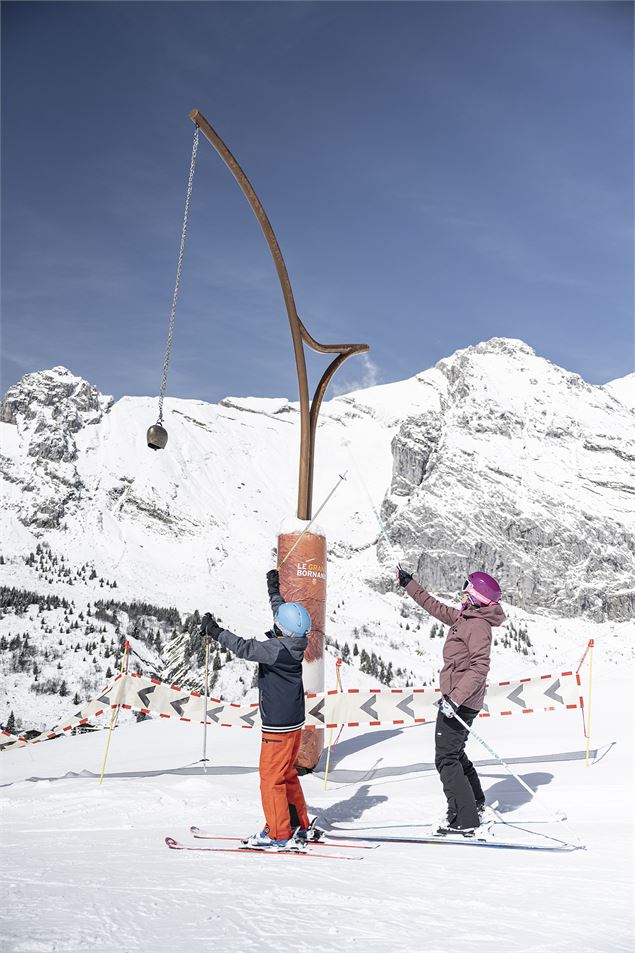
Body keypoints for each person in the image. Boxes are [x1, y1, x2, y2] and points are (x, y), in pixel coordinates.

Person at [200, 569, 317, 852]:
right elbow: (283, 614)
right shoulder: (295, 642)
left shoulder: (275, 650)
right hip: (294, 722)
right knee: (286, 772)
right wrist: (273, 590)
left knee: (270, 778)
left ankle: (278, 833)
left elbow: (244, 648)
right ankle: (299, 823)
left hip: (277, 726)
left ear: (281, 629)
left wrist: (214, 631)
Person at [397, 566, 505, 837]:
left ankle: (464, 820)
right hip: (458, 699)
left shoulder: (478, 626)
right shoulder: (464, 617)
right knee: (454, 753)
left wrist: (454, 700)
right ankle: (475, 803)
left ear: (475, 595)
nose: (462, 592)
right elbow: (433, 606)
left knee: (446, 758)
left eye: (466, 588)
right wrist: (409, 583)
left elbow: (480, 668)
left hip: (460, 701)